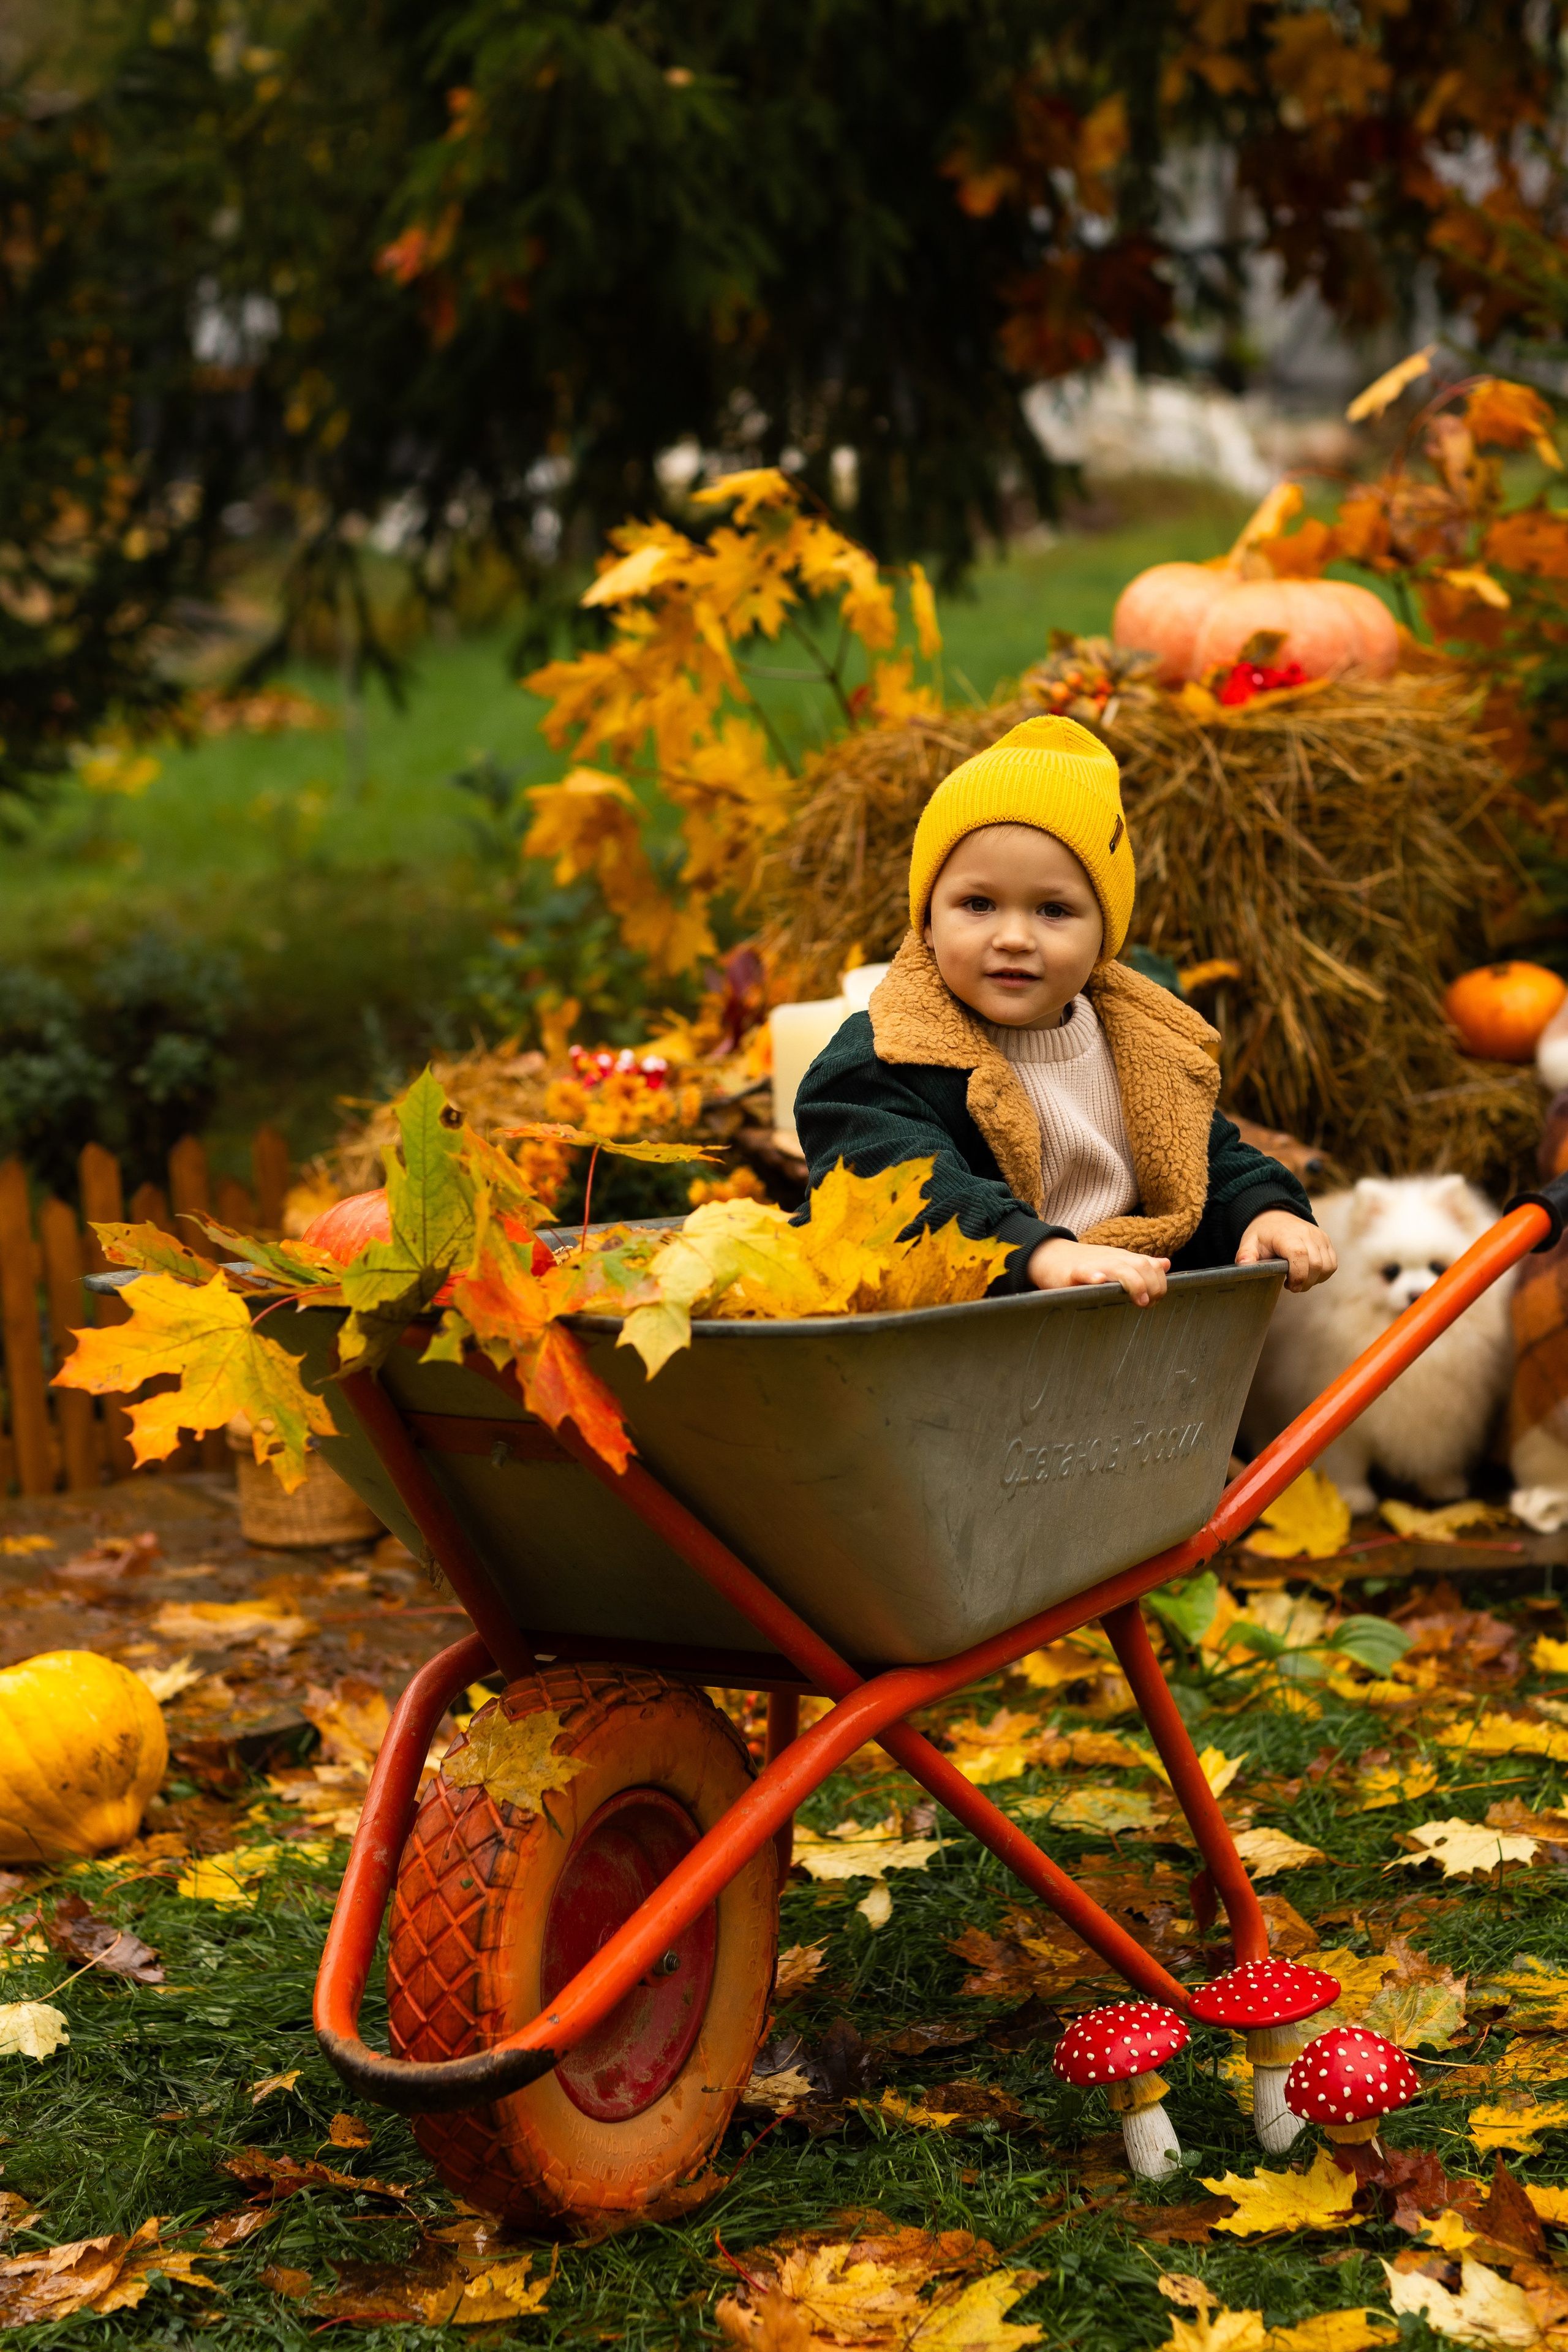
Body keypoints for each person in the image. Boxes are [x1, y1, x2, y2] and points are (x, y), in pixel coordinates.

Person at [793, 714, 1337, 1305]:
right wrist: (1039, 1253)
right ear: (926, 921)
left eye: (1053, 911)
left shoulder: (1144, 1048)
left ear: (1105, 937)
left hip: (1125, 1328)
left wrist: (1265, 1210)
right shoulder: (888, 1054)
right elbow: (892, 1187)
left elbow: (1206, 1164)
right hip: (956, 1341)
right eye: (978, 904)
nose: (1014, 938)